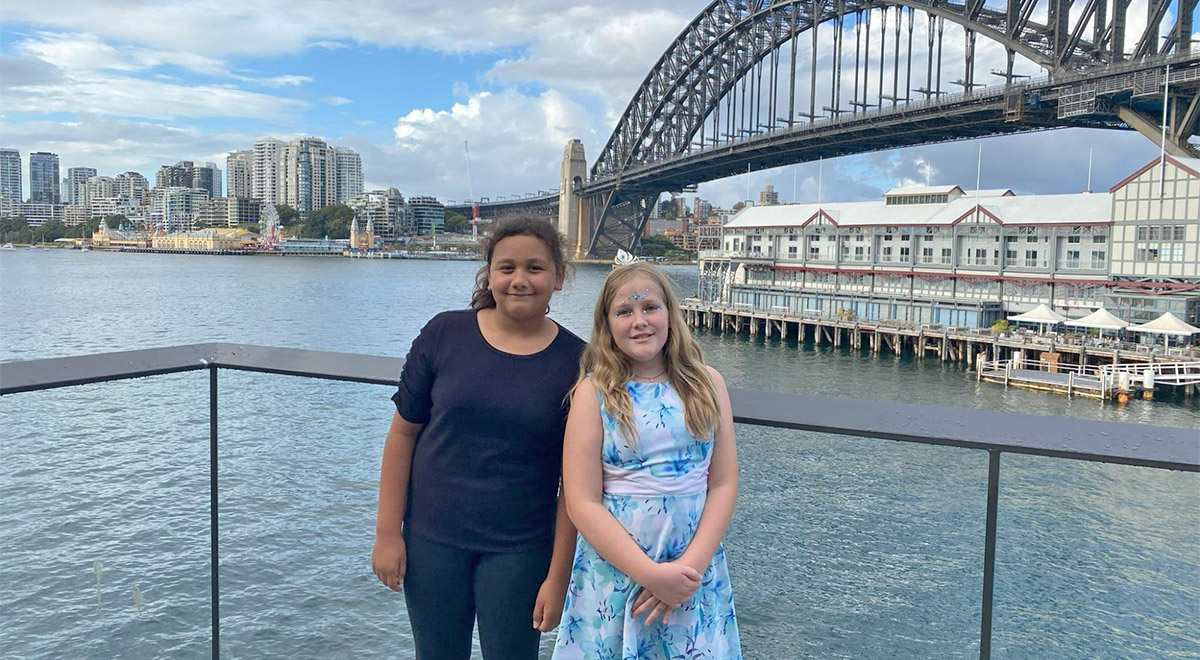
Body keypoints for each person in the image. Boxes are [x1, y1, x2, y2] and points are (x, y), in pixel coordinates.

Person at [372, 216, 585, 660]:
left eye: (535, 268)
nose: (519, 280)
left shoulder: (581, 362)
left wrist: (559, 575)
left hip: (521, 549)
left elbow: (575, 486)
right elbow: (402, 436)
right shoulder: (444, 333)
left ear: (559, 278)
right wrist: (388, 535)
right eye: (506, 268)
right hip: (431, 539)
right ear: (489, 275)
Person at [553, 263, 742, 659]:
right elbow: (582, 501)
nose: (639, 321)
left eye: (650, 308)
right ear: (607, 325)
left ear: (671, 315)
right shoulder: (593, 393)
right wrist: (652, 575)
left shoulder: (709, 384)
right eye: (624, 312)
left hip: (692, 572)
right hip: (617, 573)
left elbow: (723, 483)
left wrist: (687, 571)